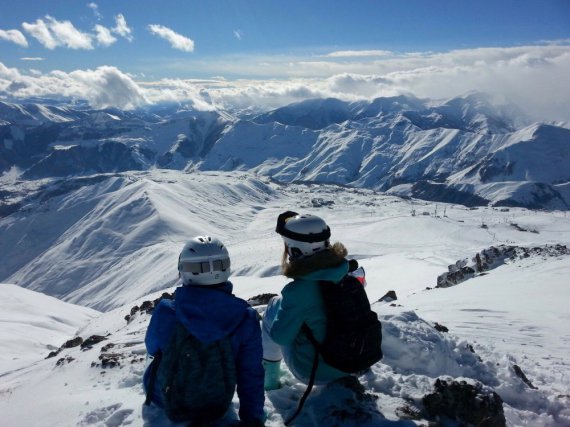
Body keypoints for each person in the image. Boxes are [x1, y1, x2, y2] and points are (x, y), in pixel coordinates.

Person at [143, 236, 265, 426]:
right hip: (217, 404)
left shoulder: (167, 311)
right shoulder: (245, 318)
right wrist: (253, 419)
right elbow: (251, 374)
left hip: (166, 401)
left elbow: (152, 349)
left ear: (184, 270)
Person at [261, 211, 351, 390]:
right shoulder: (345, 274)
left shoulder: (298, 291)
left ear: (296, 250)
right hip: (350, 363)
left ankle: (269, 381)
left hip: (313, 372)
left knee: (274, 306)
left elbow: (280, 336)